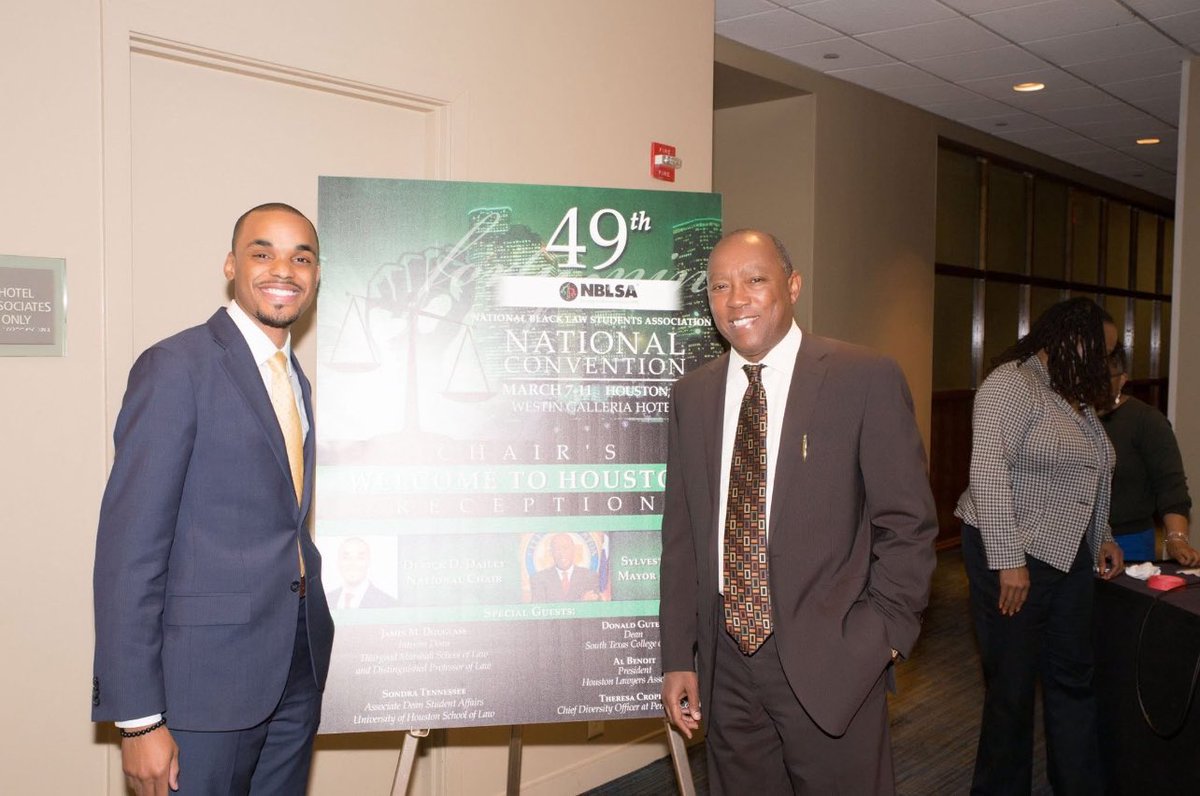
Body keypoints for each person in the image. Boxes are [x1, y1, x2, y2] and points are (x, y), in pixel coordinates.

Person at [658, 229, 938, 794]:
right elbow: (682, 535)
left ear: (792, 286)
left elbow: (907, 525)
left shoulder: (863, 378)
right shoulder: (693, 395)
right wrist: (677, 655)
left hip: (835, 660)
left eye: (755, 280)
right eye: (719, 286)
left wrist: (882, 636)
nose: (736, 299)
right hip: (726, 667)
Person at [92, 203, 335, 795]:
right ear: (231, 265)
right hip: (203, 686)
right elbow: (130, 551)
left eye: (301, 257)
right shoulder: (176, 367)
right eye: (263, 253)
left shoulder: (292, 375)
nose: (284, 269)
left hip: (296, 668)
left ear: (316, 274)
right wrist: (139, 718)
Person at [955, 297, 1125, 795]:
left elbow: (1091, 471)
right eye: (1100, 351)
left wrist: (1102, 535)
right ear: (1070, 340)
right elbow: (988, 471)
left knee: (1073, 679)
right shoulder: (1013, 383)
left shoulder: (1073, 393)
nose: (1105, 363)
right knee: (1011, 691)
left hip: (1068, 558)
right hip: (1009, 552)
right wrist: (1009, 561)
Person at [1101, 338, 1200, 564]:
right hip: (1072, 542)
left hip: (1129, 540)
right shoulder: (1070, 417)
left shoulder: (1146, 420)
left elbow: (1171, 486)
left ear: (1122, 379)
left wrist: (1176, 539)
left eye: (1105, 377)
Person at [327, 536, 398, 608]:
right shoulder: (327, 599)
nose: (353, 563)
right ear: (338, 562)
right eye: (346, 557)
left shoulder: (389, 603)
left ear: (368, 562)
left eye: (360, 558)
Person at [528, 533, 601, 602]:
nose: (562, 553)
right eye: (557, 549)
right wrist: (581, 601)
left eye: (565, 548)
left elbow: (596, 607)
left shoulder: (590, 577)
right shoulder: (538, 579)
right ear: (551, 553)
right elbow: (539, 607)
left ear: (574, 550)